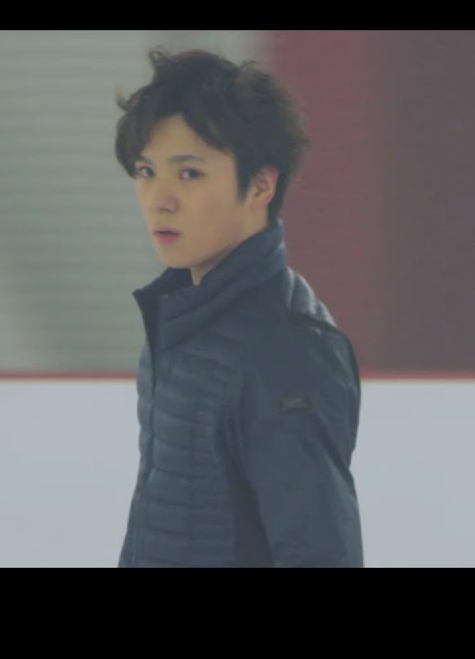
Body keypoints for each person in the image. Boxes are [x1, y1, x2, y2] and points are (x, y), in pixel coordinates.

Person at [112, 47, 364, 567]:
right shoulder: (178, 322)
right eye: (145, 171)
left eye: (189, 174)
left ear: (260, 185)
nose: (159, 199)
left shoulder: (288, 351)